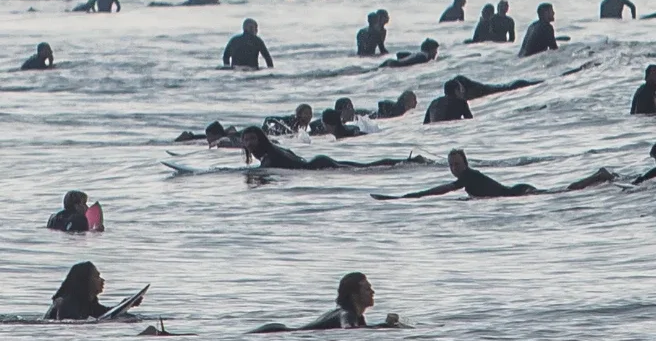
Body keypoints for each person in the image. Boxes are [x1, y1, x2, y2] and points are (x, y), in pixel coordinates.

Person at [388, 148, 614, 201]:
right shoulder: (466, 177)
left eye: (457, 164)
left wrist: (411, 197)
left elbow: (443, 189)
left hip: (518, 193)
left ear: (465, 163)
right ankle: (597, 177)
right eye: (451, 165)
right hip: (516, 191)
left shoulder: (468, 176)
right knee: (563, 191)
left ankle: (598, 176)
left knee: (565, 191)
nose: (454, 168)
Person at [252, 272, 400, 332]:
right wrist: (384, 326)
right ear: (354, 295)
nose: (373, 293)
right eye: (367, 289)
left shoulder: (356, 316)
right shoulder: (346, 314)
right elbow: (348, 331)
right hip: (276, 332)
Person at [241, 125, 426, 172]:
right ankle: (410, 161)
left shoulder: (268, 157)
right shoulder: (272, 151)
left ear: (260, 139)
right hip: (318, 162)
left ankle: (410, 161)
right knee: (365, 166)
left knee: (367, 167)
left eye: (252, 139)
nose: (249, 143)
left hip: (318, 166)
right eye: (246, 140)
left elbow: (264, 171)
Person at [45, 261, 110, 320]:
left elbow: (105, 312)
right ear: (85, 280)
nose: (102, 280)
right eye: (97, 277)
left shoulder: (87, 302)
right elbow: (68, 324)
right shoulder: (67, 303)